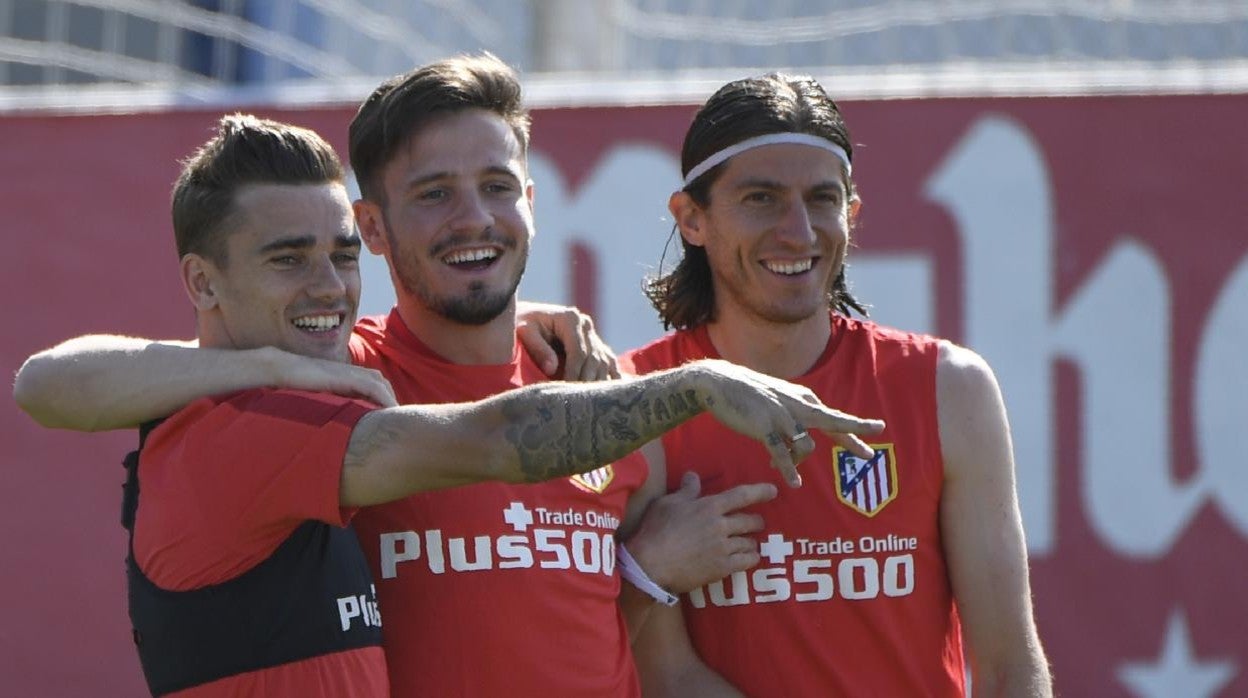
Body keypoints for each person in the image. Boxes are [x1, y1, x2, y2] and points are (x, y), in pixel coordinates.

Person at [13, 60, 885, 696]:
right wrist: (262, 363)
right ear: (378, 227)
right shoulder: (328, 384)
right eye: (432, 193)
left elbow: (638, 662)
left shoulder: (594, 383)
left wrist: (642, 578)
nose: (475, 219)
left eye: (498, 186)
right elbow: (50, 383)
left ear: (533, 202)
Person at [620, 73, 1054, 696]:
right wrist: (652, 567)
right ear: (691, 218)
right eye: (761, 198)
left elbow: (1012, 668)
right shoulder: (639, 399)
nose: (798, 231)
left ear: (850, 213)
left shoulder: (947, 389)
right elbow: (669, 677)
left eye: (822, 199)